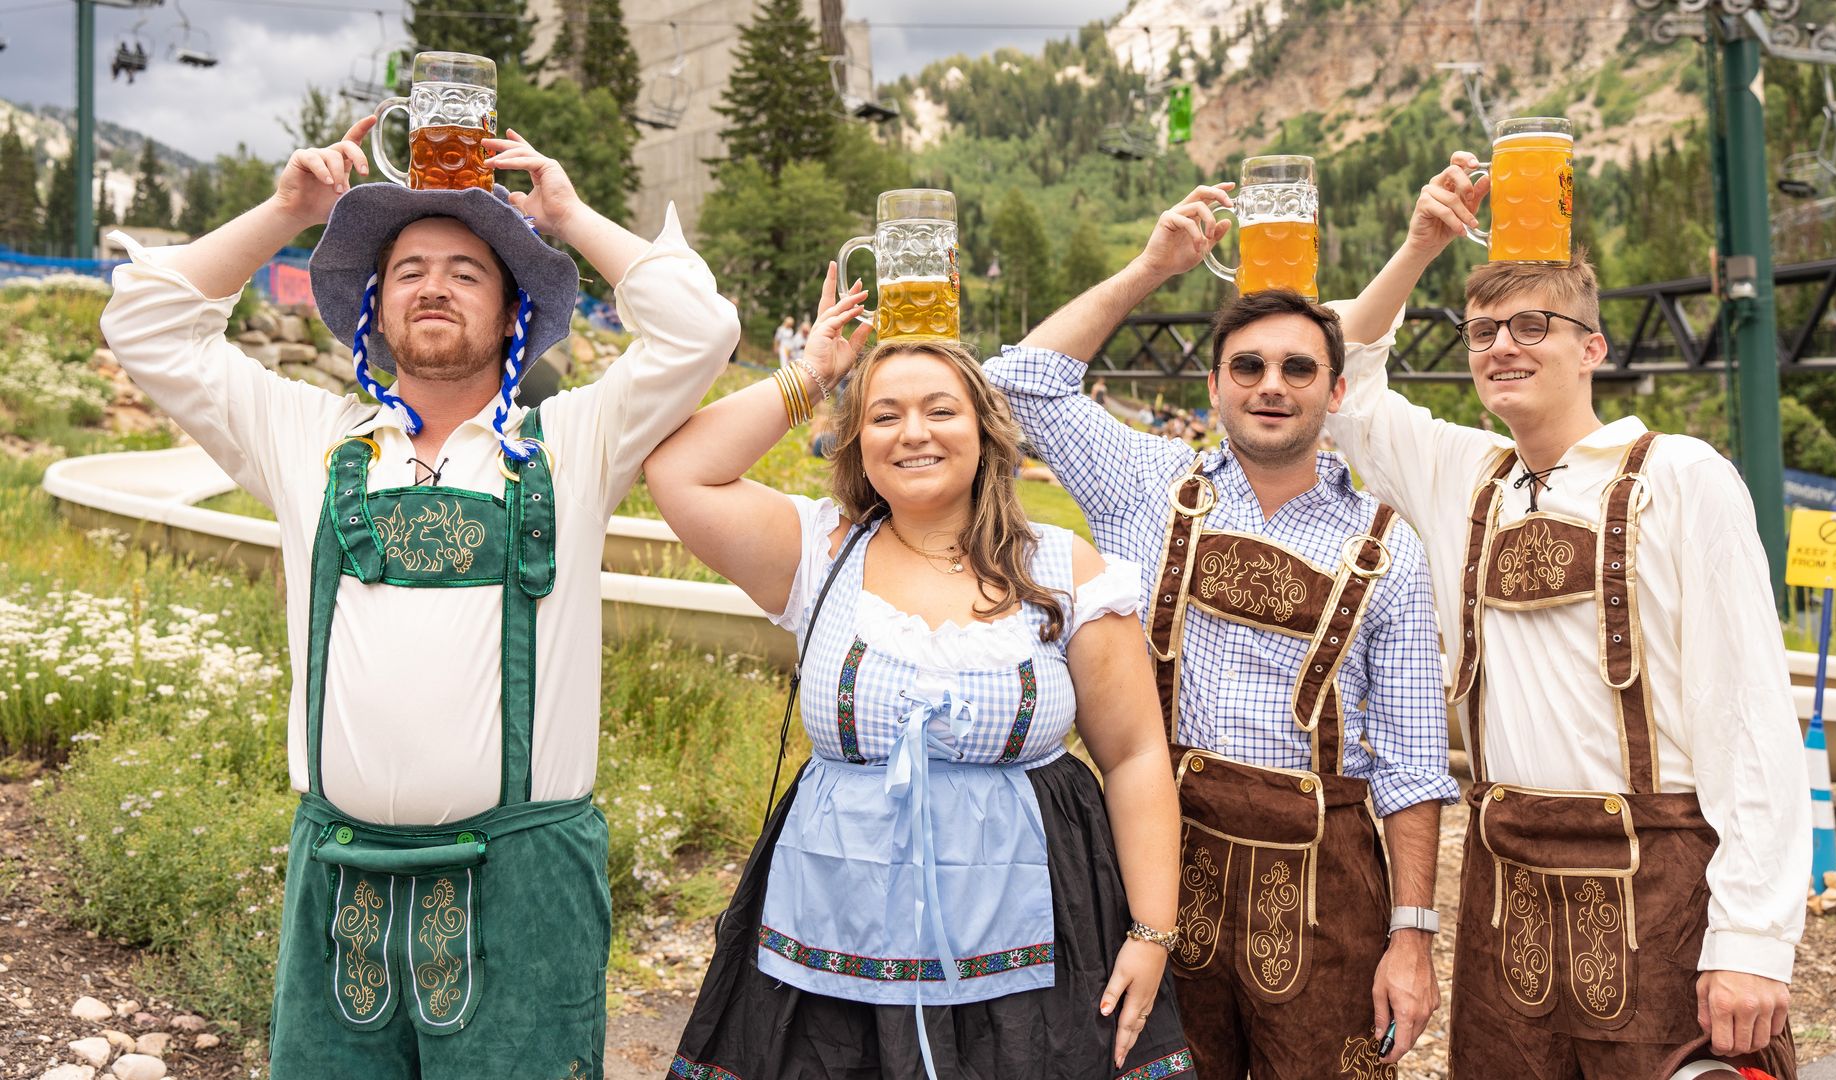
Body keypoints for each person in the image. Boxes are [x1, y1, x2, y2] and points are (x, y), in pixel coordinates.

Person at [99, 117, 739, 1078]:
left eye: (467, 270)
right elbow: (143, 321)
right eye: (408, 270)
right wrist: (286, 212)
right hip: (341, 886)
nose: (433, 285)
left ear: (513, 310)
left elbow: (701, 329)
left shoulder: (574, 444)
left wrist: (568, 215)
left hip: (526, 891)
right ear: (375, 307)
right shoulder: (306, 438)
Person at [1324, 153, 1809, 1079]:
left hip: (1661, 885)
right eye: (1481, 332)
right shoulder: (1462, 473)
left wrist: (1751, 935)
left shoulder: (1682, 475)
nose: (1501, 346)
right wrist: (1422, 245)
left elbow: (1749, 711)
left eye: (1532, 325)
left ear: (1593, 347)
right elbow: (1341, 371)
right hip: (1509, 885)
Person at [646, 266, 1195, 1079]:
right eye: (884, 415)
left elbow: (1136, 757)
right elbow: (678, 471)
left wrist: (1151, 933)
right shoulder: (819, 550)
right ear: (857, 441)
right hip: (831, 924)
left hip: (1040, 934)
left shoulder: (1064, 568)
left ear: (985, 432)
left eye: (942, 410)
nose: (914, 433)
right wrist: (813, 373)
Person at [984, 186, 1457, 1077]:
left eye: (1298, 369)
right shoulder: (1145, 479)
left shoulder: (1387, 548)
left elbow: (1412, 763)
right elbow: (1015, 384)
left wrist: (1413, 939)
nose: (1271, 386)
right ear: (1214, 385)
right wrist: (1153, 266)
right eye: (1247, 367)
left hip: (1328, 891)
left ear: (1337, 388)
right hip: (1156, 869)